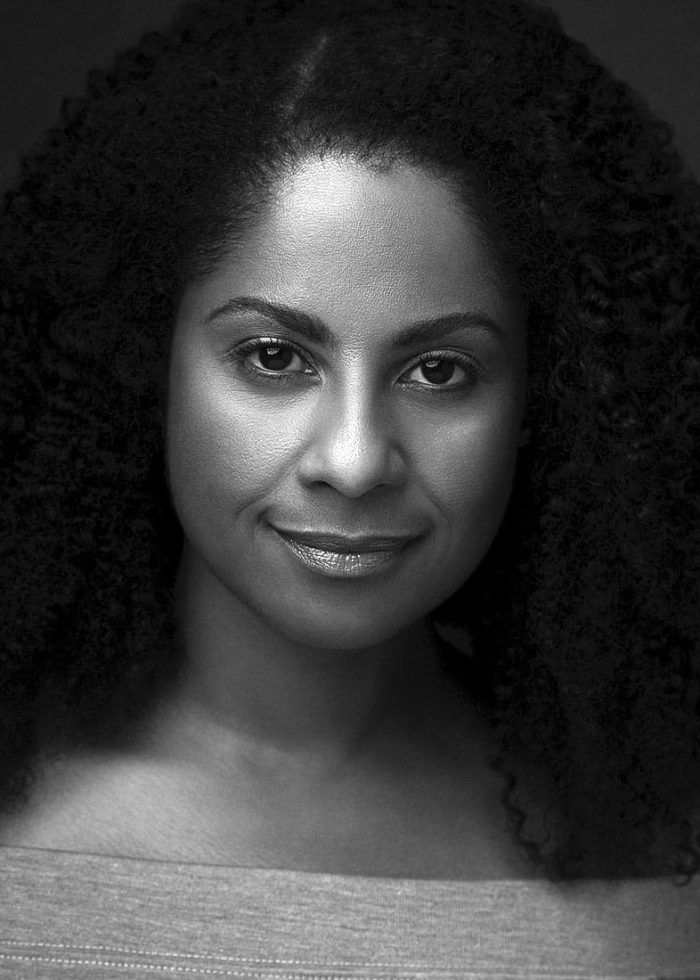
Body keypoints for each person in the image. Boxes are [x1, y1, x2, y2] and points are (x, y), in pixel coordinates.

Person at [1, 0, 699, 974]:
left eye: (439, 371)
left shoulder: (663, 852)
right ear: (135, 360)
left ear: (549, 398)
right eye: (275, 356)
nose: (357, 457)